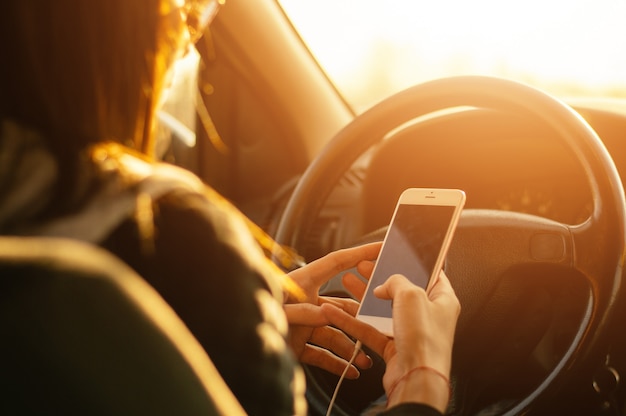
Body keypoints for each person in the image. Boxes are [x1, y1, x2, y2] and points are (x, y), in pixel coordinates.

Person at [0, 1, 460, 415]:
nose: (191, 40)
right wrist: (421, 382)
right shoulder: (168, 239)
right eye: (186, 11)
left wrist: (244, 329)